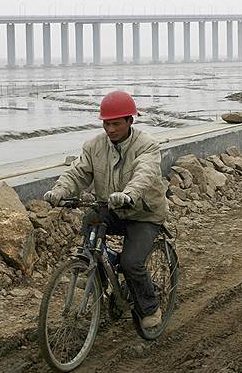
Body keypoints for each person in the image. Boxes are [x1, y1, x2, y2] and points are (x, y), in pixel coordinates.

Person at [43, 90, 169, 328]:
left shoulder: (147, 146)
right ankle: (96, 270)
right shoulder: (94, 146)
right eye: (106, 124)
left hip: (143, 213)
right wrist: (60, 190)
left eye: (116, 124)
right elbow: (78, 172)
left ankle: (150, 308)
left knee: (132, 263)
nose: (110, 129)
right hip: (111, 207)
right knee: (91, 221)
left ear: (130, 121)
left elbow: (145, 174)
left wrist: (129, 195)